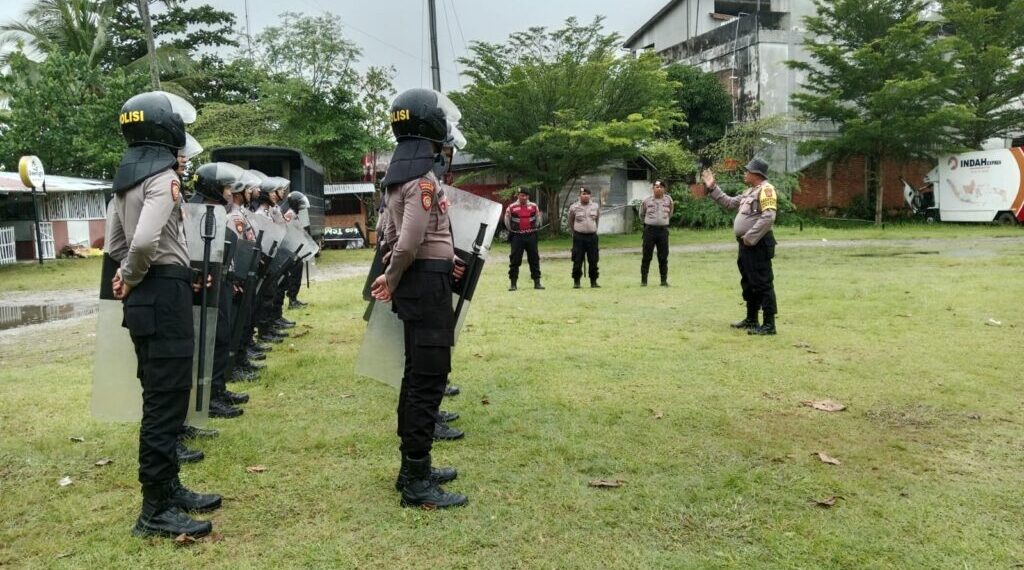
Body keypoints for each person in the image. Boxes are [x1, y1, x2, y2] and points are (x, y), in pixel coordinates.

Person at [105, 91, 221, 538]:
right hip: (161, 291)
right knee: (165, 400)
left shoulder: (126, 180)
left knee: (163, 393)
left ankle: (168, 488)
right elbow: (146, 242)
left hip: (145, 297)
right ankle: (155, 509)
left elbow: (117, 244)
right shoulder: (162, 179)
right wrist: (134, 276)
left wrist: (128, 278)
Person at [370, 87, 468, 509]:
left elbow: (394, 237)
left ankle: (414, 467)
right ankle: (415, 479)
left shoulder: (398, 176)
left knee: (416, 377)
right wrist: (392, 276)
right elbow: (408, 243)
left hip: (422, 280)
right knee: (428, 379)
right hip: (425, 285)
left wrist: (398, 273)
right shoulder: (421, 180)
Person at [701, 158, 779, 335]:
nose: (745, 173)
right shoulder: (750, 191)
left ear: (756, 174)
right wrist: (712, 187)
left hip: (757, 244)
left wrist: (749, 238)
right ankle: (752, 319)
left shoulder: (767, 190)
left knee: (763, 283)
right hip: (746, 245)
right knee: (749, 282)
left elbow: (768, 217)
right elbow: (729, 202)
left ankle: (769, 324)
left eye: (748, 171)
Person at [503, 189, 543, 291]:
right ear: (518, 196)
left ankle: (537, 283)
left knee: (534, 259)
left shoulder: (534, 206)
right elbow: (506, 220)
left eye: (525, 196)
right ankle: (513, 284)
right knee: (515, 260)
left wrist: (536, 228)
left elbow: (538, 219)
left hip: (531, 236)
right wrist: (512, 231)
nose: (523, 197)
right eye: (521, 195)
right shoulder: (511, 207)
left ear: (528, 196)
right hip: (517, 237)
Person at [640, 180, 674, 287]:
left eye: (660, 187)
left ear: (664, 189)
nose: (658, 189)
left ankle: (663, 281)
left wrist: (662, 222)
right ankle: (644, 281)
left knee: (663, 256)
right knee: (647, 256)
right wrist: (649, 223)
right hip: (649, 231)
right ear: (652, 188)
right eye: (656, 187)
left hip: (663, 231)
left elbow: (670, 214)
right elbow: (641, 214)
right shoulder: (646, 200)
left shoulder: (668, 200)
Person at [568, 187, 600, 288]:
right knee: (577, 259)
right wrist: (575, 232)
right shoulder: (574, 207)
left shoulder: (595, 206)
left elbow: (597, 220)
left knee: (594, 259)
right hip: (579, 237)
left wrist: (593, 229)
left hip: (592, 237)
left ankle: (593, 281)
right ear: (579, 196)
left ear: (590, 195)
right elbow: (570, 221)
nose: (585, 196)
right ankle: (576, 282)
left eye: (587, 194)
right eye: (583, 194)